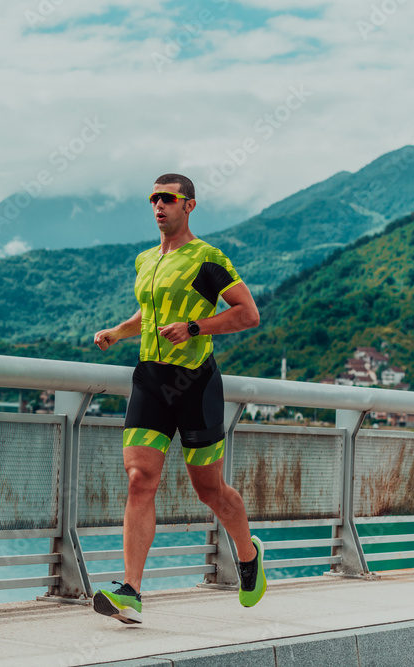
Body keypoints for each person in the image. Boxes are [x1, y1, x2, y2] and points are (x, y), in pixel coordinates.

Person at [91, 173, 265, 625]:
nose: (158, 206)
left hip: (194, 383)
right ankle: (130, 590)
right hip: (150, 378)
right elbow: (146, 315)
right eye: (153, 199)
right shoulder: (145, 260)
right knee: (138, 478)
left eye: (167, 199)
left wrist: (194, 328)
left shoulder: (207, 259)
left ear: (189, 206)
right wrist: (116, 332)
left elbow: (248, 313)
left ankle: (248, 555)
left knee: (208, 489)